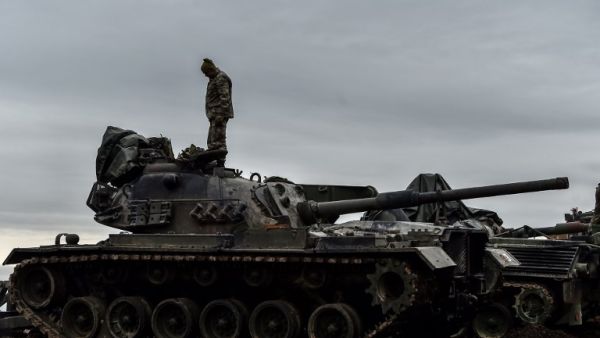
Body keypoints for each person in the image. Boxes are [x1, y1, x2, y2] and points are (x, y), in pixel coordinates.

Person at [201, 58, 234, 165]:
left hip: (219, 113)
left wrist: (221, 114)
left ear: (211, 69)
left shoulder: (220, 78)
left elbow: (225, 97)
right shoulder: (214, 78)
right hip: (214, 114)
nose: (206, 75)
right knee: (213, 140)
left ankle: (219, 162)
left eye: (206, 72)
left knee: (219, 140)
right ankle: (214, 159)